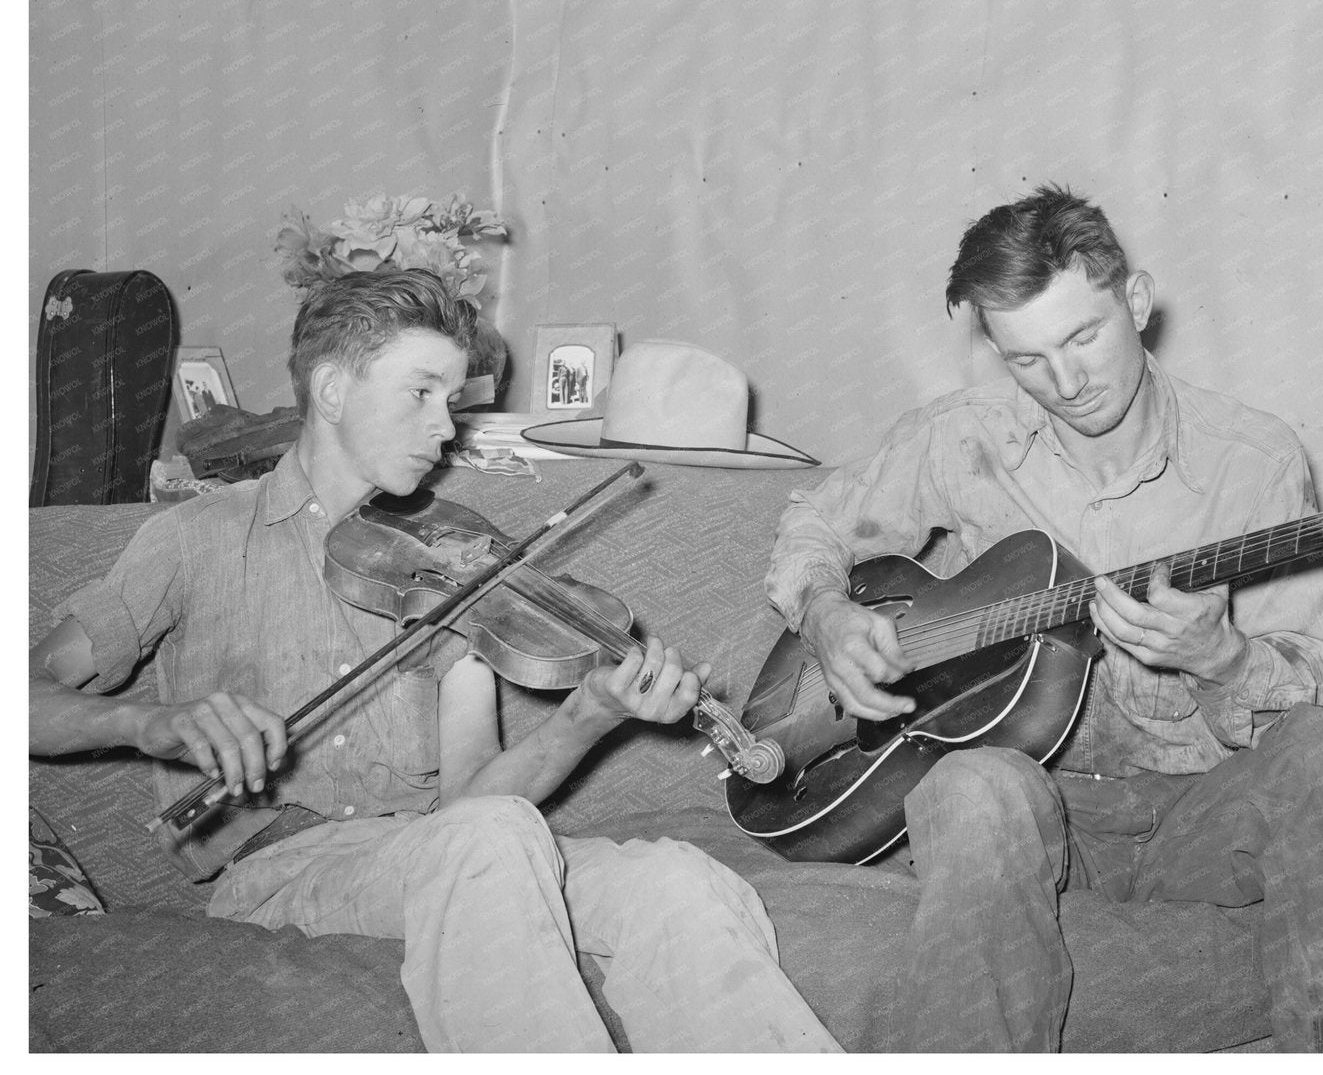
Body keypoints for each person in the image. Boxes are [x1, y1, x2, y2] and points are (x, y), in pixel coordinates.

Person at [30, 268, 840, 1054]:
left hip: (441, 851)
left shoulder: (451, 560)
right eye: (420, 393)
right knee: (487, 839)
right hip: (282, 871)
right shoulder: (196, 537)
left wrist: (590, 713)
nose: (446, 427)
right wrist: (152, 721)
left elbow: (473, 801)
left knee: (679, 880)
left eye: (451, 402)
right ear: (333, 389)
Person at [764, 185, 1323, 1052]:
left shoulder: (1253, 458)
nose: (1064, 383)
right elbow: (814, 523)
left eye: (1083, 337)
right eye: (1027, 359)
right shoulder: (961, 438)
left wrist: (1222, 656)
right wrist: (827, 613)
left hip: (1197, 816)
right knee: (967, 784)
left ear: (1134, 301)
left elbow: (1311, 683)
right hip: (1037, 806)